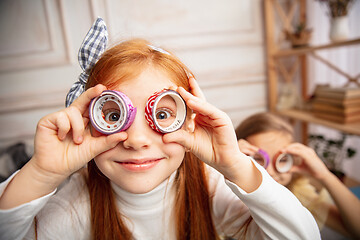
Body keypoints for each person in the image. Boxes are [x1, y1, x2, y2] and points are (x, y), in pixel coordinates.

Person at [0, 18, 320, 240]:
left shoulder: (207, 187)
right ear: (88, 120)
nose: (138, 140)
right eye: (113, 116)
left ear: (190, 117)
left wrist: (236, 165)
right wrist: (41, 173)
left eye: (162, 115)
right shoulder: (79, 201)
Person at [235, 112, 360, 239]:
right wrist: (230, 164)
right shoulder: (226, 194)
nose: (271, 171)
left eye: (282, 160)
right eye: (258, 159)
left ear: (292, 160)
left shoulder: (299, 194)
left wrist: (324, 175)